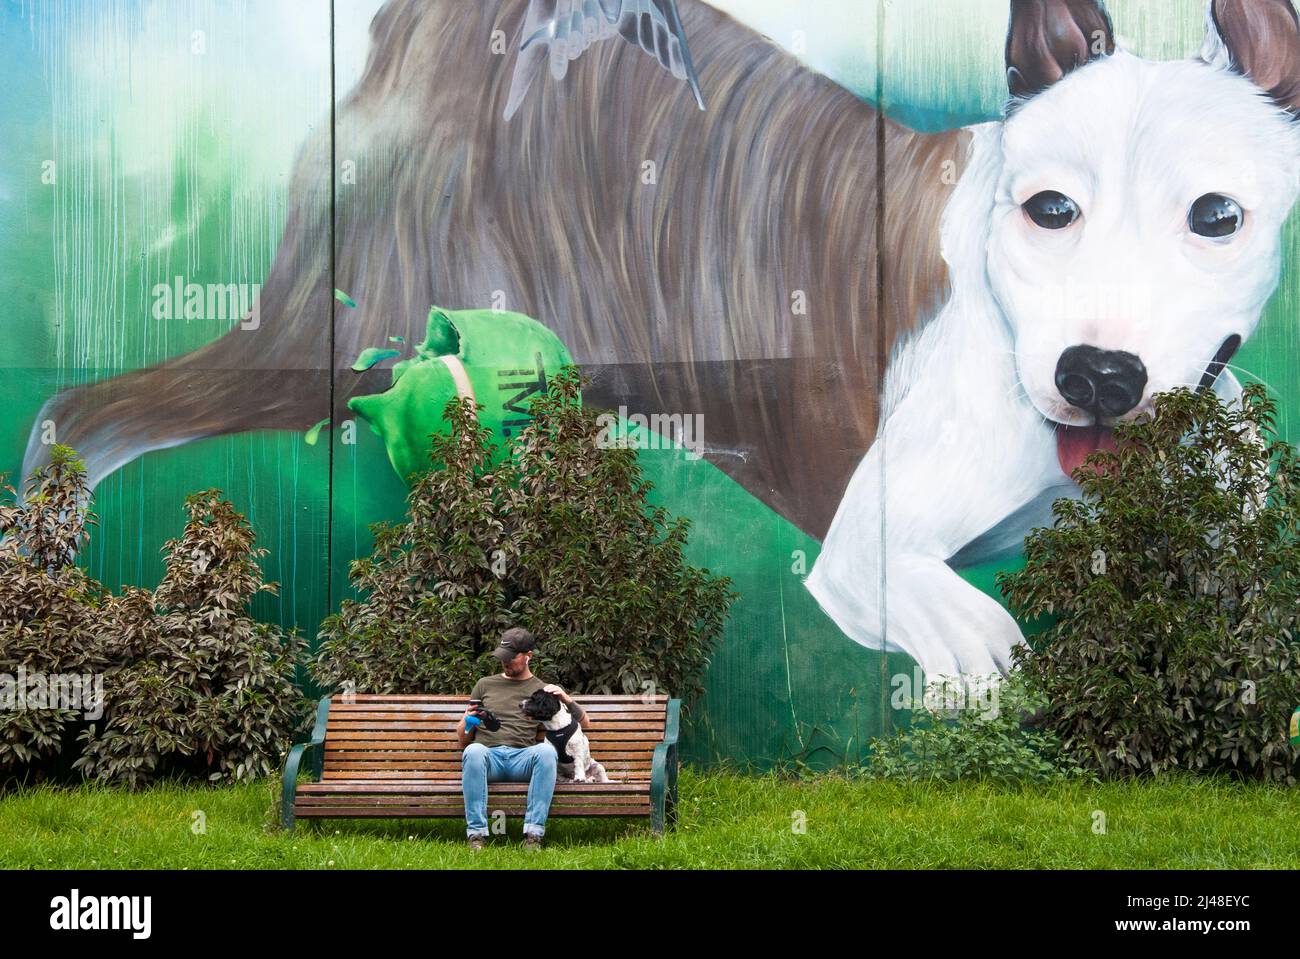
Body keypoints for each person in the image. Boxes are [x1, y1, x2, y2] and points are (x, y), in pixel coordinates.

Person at [458, 626, 590, 851]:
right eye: (502, 658)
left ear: (528, 656)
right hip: (489, 758)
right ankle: (477, 836)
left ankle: (533, 835)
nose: (505, 663)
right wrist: (468, 720)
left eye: (511, 658)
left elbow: (584, 724)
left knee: (546, 751)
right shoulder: (484, 684)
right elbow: (463, 740)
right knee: (472, 751)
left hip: (523, 759)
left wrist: (566, 698)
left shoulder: (541, 690)